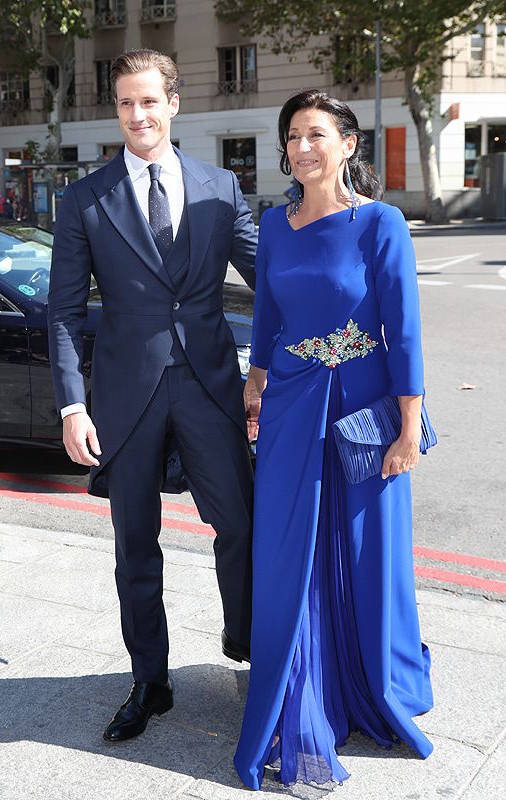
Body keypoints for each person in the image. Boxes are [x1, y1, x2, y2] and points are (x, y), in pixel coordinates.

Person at [48, 49, 257, 743]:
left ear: (174, 102)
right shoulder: (85, 197)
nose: (136, 116)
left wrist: (352, 234)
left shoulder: (219, 187)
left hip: (210, 388)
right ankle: (150, 681)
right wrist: (72, 404)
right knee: (135, 545)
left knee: (241, 526)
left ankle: (245, 641)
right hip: (123, 399)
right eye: (124, 104)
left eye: (148, 101)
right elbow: (64, 311)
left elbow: (278, 277)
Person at [234, 90, 434, 790]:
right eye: (292, 136)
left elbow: (402, 331)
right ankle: (298, 686)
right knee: (289, 555)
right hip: (291, 406)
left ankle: (372, 685)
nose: (302, 146)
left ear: (349, 144)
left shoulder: (380, 223)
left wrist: (409, 425)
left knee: (366, 551)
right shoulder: (274, 225)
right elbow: (266, 318)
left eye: (316, 133)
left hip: (362, 407)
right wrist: (254, 387)